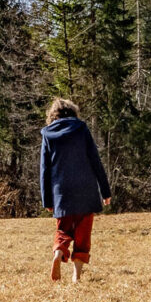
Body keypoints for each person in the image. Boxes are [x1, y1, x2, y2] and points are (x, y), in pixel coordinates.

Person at [40, 99, 111, 283]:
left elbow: (44, 169)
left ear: (52, 116)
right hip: (85, 188)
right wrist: (105, 190)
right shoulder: (81, 128)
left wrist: (47, 200)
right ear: (73, 113)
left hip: (61, 192)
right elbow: (95, 160)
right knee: (83, 233)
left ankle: (58, 253)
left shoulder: (48, 134)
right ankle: (76, 276)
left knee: (63, 230)